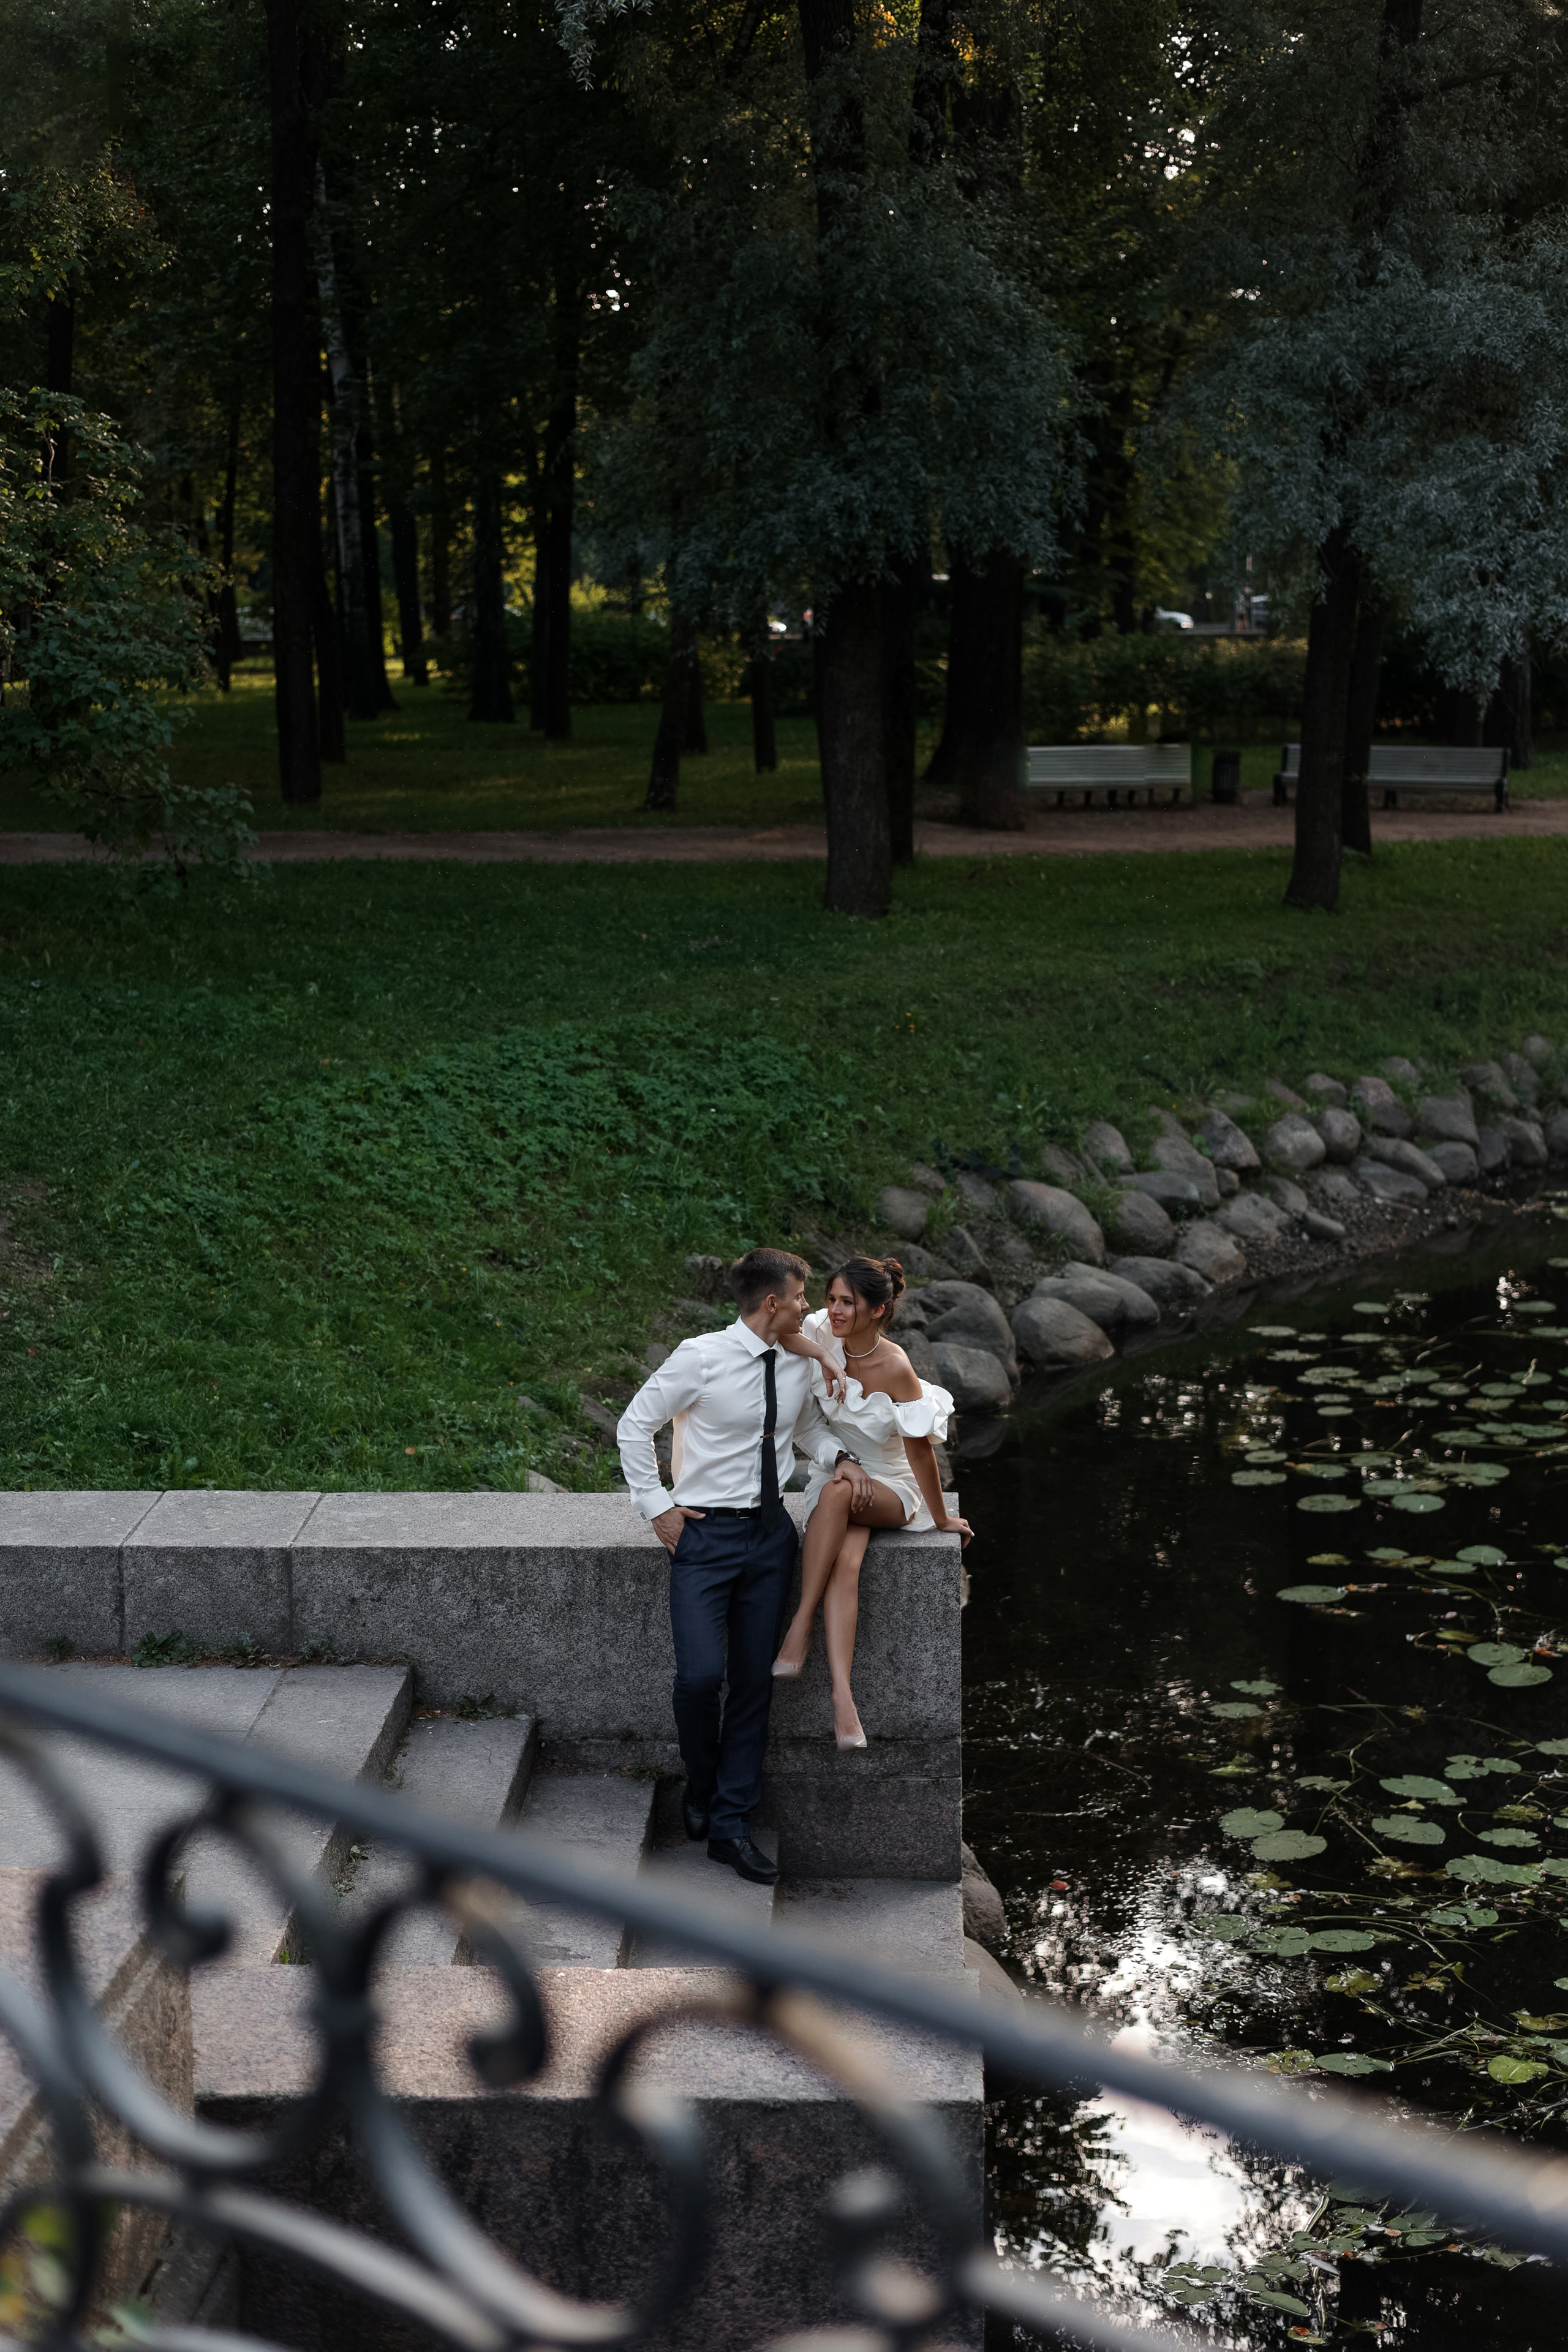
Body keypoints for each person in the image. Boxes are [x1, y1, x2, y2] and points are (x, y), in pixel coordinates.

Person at [616, 1246, 871, 1885]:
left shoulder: (797, 1360)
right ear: (772, 1302)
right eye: (801, 1296)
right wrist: (658, 1508)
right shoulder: (699, 1357)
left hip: (769, 1538)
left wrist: (839, 1456)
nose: (809, 1307)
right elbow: (633, 1426)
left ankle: (730, 1825)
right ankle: (701, 1786)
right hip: (703, 1539)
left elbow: (804, 1431)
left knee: (754, 1684)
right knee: (700, 1679)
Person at [771, 1256, 971, 1750]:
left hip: (891, 1484)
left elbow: (919, 1453)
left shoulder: (896, 1366)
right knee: (847, 1563)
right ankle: (844, 1702)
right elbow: (783, 1332)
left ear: (878, 1310)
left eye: (849, 1303)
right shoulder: (822, 1330)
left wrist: (941, 1517)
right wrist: (822, 1357)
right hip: (841, 1471)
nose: (835, 1310)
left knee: (840, 1494)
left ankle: (801, 1625)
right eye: (832, 1299)